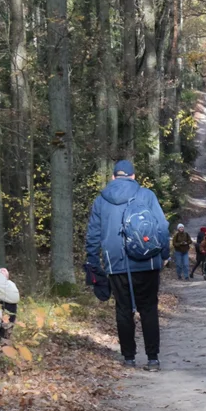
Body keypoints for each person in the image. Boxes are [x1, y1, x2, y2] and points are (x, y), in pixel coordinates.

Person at [84, 159, 170, 371]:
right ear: (133, 176)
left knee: (123, 310)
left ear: (113, 177)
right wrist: (164, 255)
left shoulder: (101, 200)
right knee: (149, 309)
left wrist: (93, 262)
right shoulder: (146, 195)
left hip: (116, 264)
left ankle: (129, 358)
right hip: (147, 260)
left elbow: (93, 235)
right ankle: (152, 359)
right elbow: (162, 227)